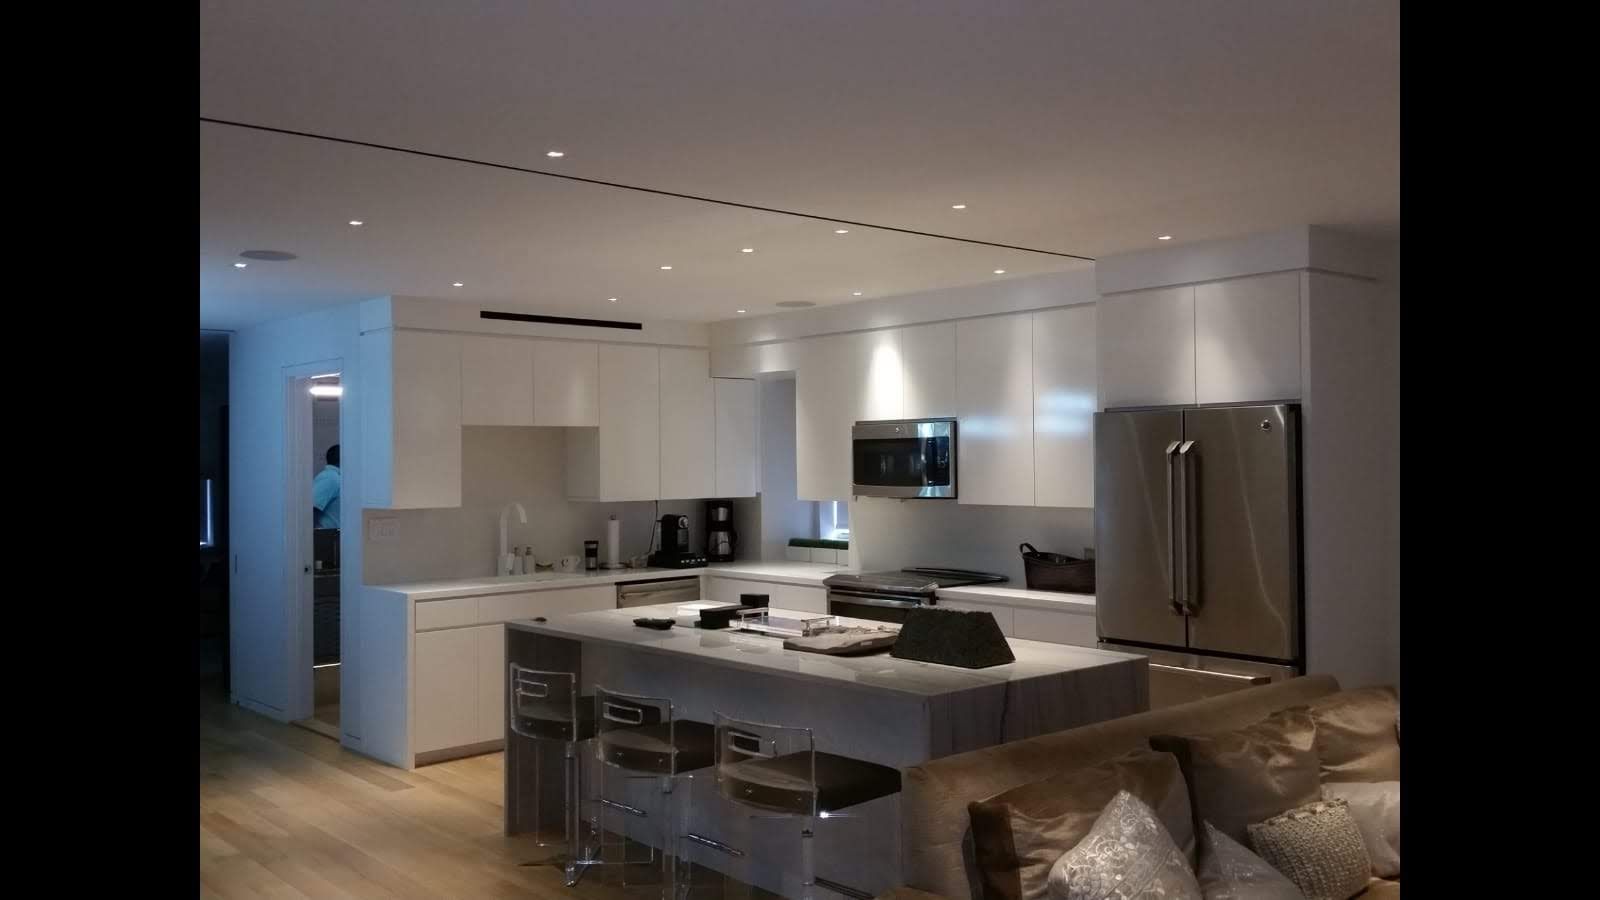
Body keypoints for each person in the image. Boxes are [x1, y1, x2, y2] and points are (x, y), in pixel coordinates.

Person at [313, 444, 341, 529]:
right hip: (325, 538)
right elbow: (312, 508)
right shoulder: (330, 477)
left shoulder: (337, 478)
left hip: (335, 537)